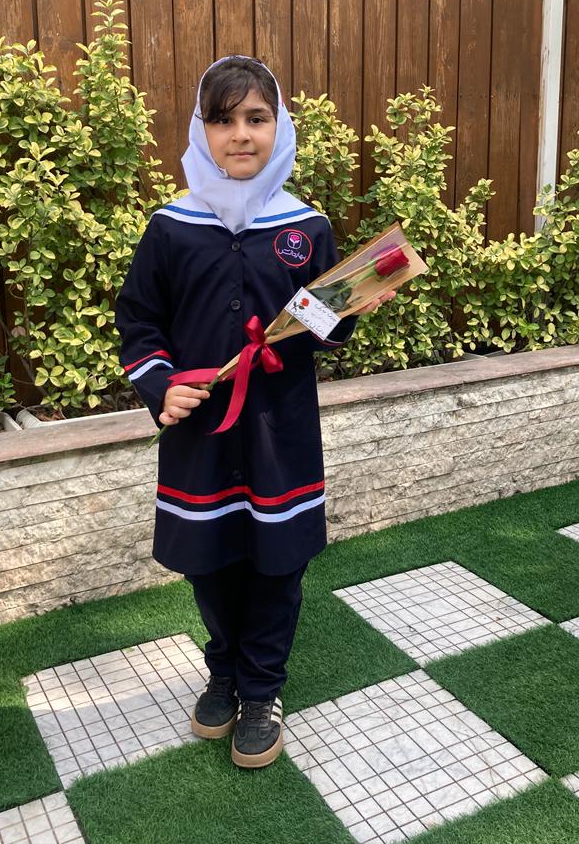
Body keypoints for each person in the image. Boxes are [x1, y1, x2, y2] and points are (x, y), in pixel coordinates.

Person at [114, 55, 395, 769]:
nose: (240, 133)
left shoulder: (306, 226)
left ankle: (262, 690)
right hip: (201, 438)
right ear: (200, 130)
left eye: (256, 118)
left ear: (280, 126)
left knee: (277, 565)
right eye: (222, 119)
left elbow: (323, 325)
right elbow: (139, 321)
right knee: (208, 562)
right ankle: (225, 671)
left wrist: (355, 303)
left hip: (280, 433)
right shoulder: (170, 228)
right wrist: (160, 385)